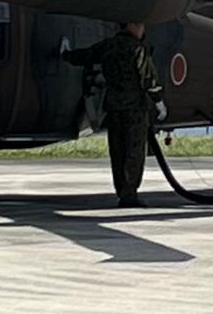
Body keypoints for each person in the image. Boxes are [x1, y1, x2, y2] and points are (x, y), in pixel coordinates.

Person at [65, 22, 163, 205]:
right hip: (134, 108)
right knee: (134, 151)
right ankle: (129, 194)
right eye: (141, 26)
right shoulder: (137, 49)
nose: (144, 30)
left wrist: (66, 54)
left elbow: (85, 56)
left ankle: (121, 191)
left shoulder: (108, 46)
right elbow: (148, 77)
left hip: (113, 106)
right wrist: (159, 101)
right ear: (133, 27)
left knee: (117, 150)